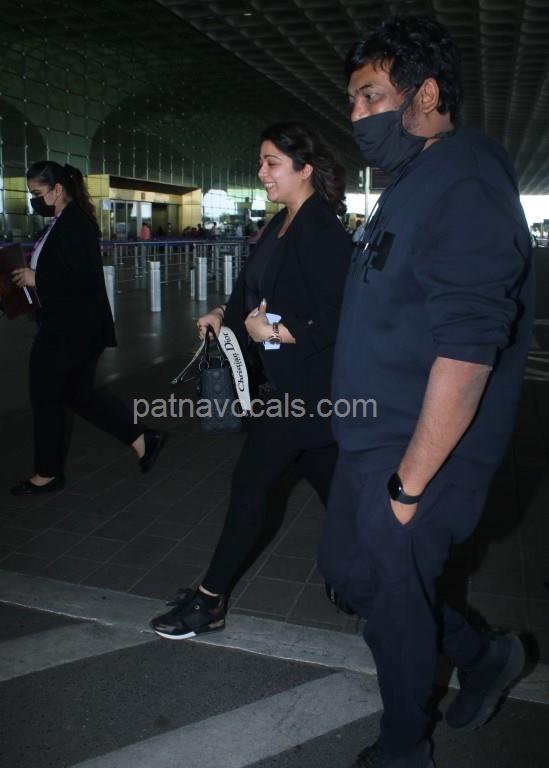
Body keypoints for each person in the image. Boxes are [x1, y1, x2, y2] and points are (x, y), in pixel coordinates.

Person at [318, 15, 534, 768]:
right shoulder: (410, 185)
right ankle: (483, 654)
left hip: (422, 450)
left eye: (371, 96)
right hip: (369, 440)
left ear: (427, 94)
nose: (357, 116)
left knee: (393, 603)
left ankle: (403, 748)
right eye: (352, 101)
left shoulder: (465, 181)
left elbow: (467, 354)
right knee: (350, 576)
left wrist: (409, 485)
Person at [150, 121, 352, 640]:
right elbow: (249, 289)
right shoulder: (281, 222)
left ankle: (210, 601)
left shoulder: (322, 229)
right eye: (261, 162)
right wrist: (224, 313)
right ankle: (364, 573)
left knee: (249, 486)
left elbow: (340, 315)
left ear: (305, 168)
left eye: (271, 162)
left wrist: (276, 332)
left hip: (305, 391)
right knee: (339, 490)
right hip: (284, 385)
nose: (261, 172)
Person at [10, 161, 165, 495]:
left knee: (46, 395)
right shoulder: (62, 223)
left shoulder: (75, 224)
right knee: (77, 394)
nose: (33, 200)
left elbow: (82, 279)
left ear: (57, 190)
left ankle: (47, 474)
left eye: (37, 193)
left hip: (70, 329)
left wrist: (38, 278)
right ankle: (142, 438)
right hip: (73, 326)